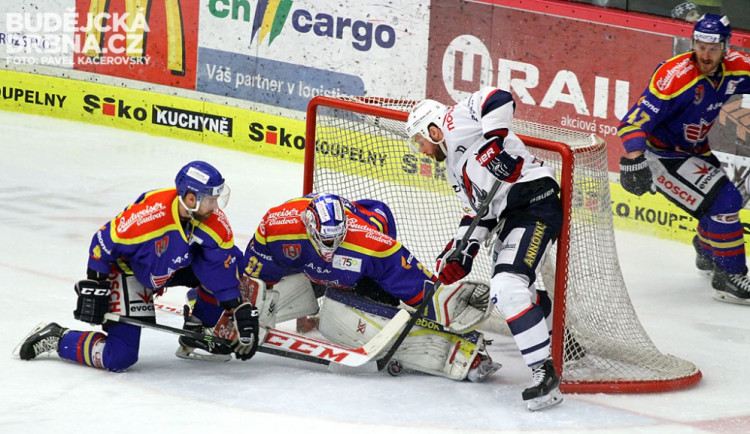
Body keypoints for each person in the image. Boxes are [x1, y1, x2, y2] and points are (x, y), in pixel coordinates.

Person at [405, 87, 564, 411]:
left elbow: (499, 98)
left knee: (507, 287)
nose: (420, 150)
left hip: (535, 202)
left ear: (433, 130)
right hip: (512, 216)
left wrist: (494, 142)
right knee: (514, 291)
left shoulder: (456, 118)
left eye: (419, 141)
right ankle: (564, 341)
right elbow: (480, 213)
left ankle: (543, 373)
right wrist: (461, 251)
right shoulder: (453, 169)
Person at [16, 161, 260, 370]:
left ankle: (196, 328)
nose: (216, 208)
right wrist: (96, 285)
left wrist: (236, 307)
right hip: (131, 272)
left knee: (235, 263)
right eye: (210, 200)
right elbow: (102, 243)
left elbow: (220, 267)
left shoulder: (211, 221)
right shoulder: (148, 219)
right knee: (119, 357)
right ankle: (56, 336)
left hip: (169, 267)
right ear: (190, 198)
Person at [239, 192, 501, 382]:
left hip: (362, 272)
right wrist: (239, 307)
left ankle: (450, 351)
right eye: (325, 240)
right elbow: (255, 270)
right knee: (263, 292)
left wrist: (446, 306)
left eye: (336, 240)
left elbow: (411, 282)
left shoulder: (370, 243)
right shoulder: (277, 226)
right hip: (308, 267)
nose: (330, 249)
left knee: (341, 318)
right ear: (308, 225)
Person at [617, 14, 750, 305]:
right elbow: (632, 123)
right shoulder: (675, 76)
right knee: (726, 200)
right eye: (700, 46)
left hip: (695, 153)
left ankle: (707, 252)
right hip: (661, 156)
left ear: (725, 47)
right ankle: (729, 276)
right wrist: (635, 158)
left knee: (718, 203)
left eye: (713, 49)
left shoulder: (736, 68)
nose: (705, 54)